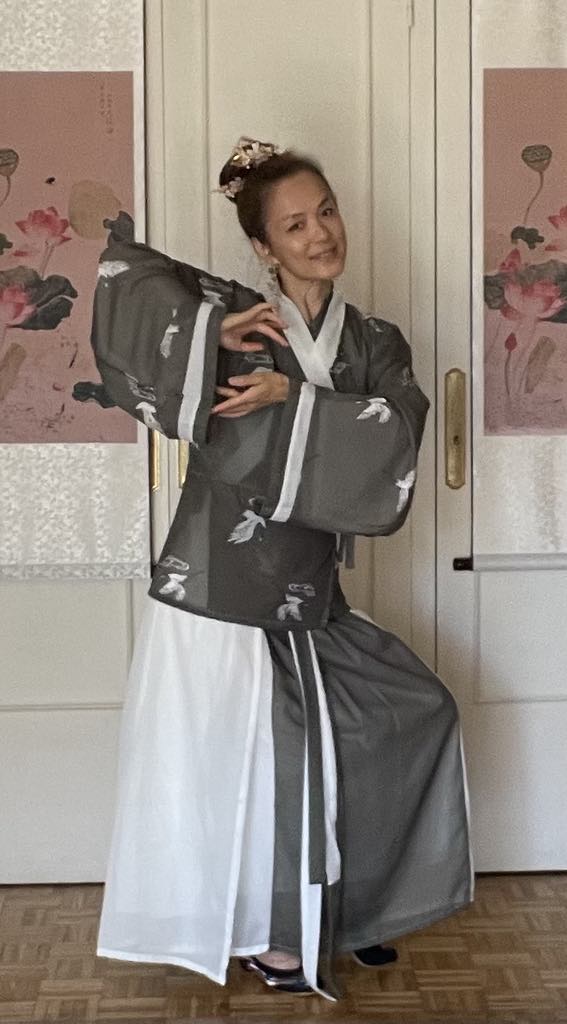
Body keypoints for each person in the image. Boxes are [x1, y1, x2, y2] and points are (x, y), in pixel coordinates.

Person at [91, 137, 473, 1001]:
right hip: (220, 587)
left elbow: (398, 431)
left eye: (325, 212)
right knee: (258, 769)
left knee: (410, 715)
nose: (318, 234)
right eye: (294, 225)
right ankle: (270, 940)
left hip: (307, 594)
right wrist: (206, 333)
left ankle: (349, 910)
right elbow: (120, 282)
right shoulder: (233, 321)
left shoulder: (373, 340)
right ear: (263, 247)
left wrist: (297, 400)